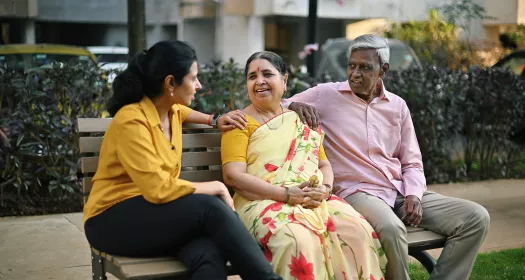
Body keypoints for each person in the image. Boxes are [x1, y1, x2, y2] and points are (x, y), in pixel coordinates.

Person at [284, 34, 490, 280]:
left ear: (383, 69)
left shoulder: (397, 106)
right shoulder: (326, 95)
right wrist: (294, 106)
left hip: (399, 191)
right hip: (357, 192)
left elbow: (411, 160)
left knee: (475, 217)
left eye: (365, 67)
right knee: (392, 228)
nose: (355, 74)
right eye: (352, 65)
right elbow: (277, 103)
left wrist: (414, 194)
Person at [83, 40, 281, 280]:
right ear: (170, 83)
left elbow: (184, 112)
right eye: (193, 78)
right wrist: (216, 187)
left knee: (208, 255)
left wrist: (214, 119)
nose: (199, 85)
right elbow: (158, 189)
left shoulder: (171, 110)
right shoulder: (131, 121)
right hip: (112, 221)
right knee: (209, 208)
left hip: (156, 216)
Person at [221, 51, 387, 280]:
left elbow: (324, 165)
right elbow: (233, 176)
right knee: (298, 240)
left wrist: (326, 189)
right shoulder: (239, 123)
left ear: (284, 80)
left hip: (314, 199)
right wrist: (286, 194)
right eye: (252, 77)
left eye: (267, 74)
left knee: (357, 232)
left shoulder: (300, 118)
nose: (259, 81)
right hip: (261, 200)